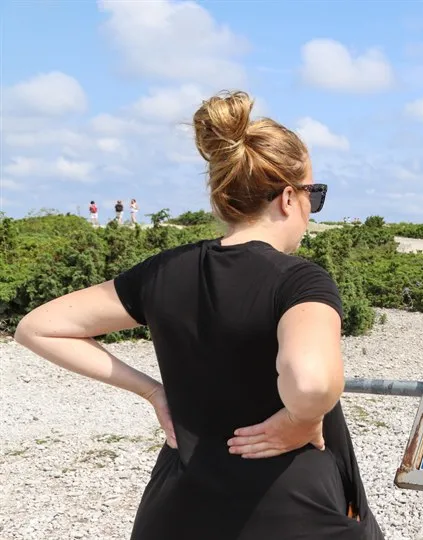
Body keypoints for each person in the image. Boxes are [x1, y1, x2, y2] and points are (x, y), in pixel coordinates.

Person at [14, 90, 381, 540]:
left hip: (175, 512)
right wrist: (298, 421)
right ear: (289, 197)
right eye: (315, 194)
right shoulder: (300, 281)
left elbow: (38, 327)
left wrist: (153, 392)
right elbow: (311, 382)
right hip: (290, 510)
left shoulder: (164, 271)